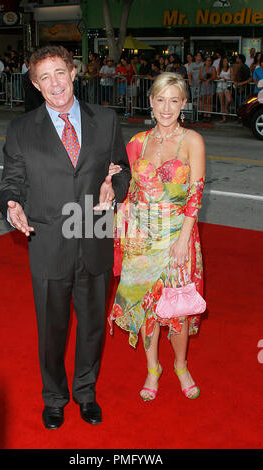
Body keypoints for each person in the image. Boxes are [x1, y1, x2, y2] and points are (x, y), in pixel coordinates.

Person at [0, 45, 131, 429]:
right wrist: (11, 205)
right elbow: (11, 183)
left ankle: (85, 393)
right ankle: (54, 397)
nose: (54, 83)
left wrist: (114, 186)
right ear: (36, 86)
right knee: (51, 330)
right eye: (44, 77)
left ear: (73, 73)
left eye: (60, 72)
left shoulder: (105, 119)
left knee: (91, 327)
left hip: (93, 234)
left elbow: (121, 169)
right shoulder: (21, 129)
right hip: (49, 241)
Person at [109, 72, 205, 402]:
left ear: (183, 104)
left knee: (177, 309)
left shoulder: (192, 140)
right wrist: (112, 182)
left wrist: (182, 241)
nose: (167, 107)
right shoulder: (137, 142)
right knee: (148, 308)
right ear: (150, 101)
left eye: (174, 100)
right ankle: (153, 368)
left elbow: (195, 194)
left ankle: (180, 364)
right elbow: (128, 190)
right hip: (143, 239)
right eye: (160, 99)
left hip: (179, 237)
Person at [199, 56, 216, 121]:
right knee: (204, 100)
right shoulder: (202, 68)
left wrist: (209, 79)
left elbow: (214, 76)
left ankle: (209, 115)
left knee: (209, 100)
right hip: (204, 85)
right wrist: (205, 77)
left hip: (210, 85)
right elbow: (200, 76)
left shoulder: (213, 68)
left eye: (210, 61)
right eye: (207, 60)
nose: (208, 62)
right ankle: (204, 114)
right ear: (205, 61)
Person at [216, 57, 233, 122]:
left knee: (229, 100)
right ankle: (223, 118)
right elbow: (217, 76)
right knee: (222, 102)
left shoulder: (230, 68)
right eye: (224, 61)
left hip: (227, 86)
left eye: (226, 61)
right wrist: (220, 77)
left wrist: (227, 79)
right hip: (220, 86)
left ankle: (227, 108)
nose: (225, 62)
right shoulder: (219, 68)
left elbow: (232, 78)